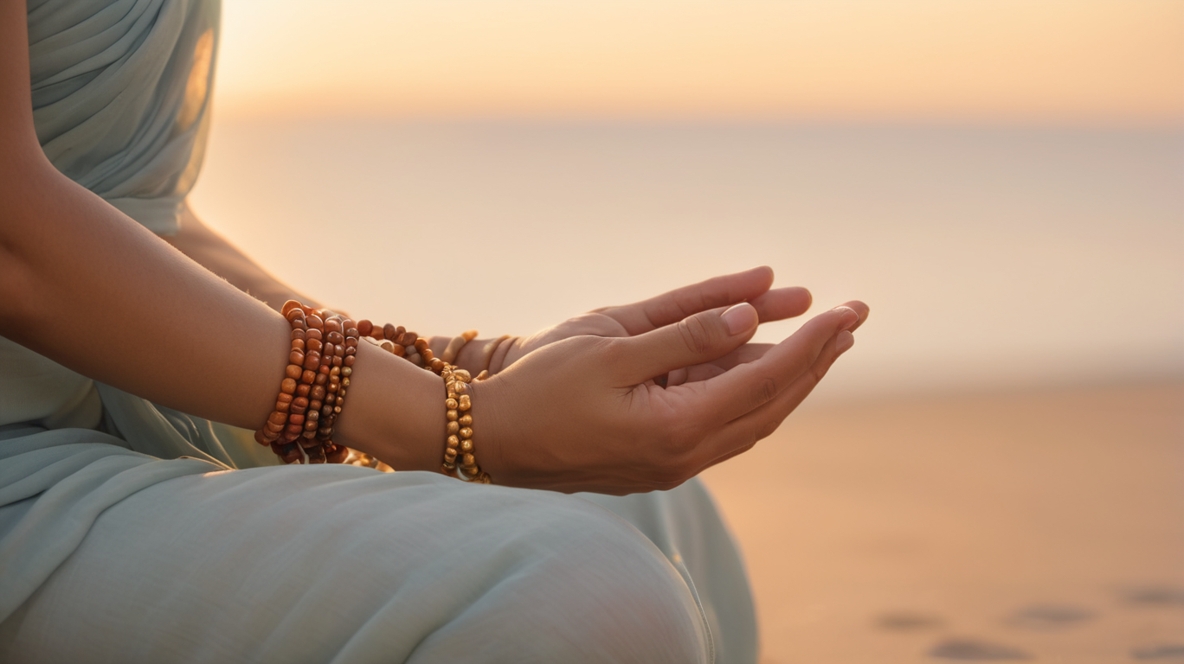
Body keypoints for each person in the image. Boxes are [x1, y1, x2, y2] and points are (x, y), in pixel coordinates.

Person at [0, 0, 868, 661]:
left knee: (650, 499)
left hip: (127, 379)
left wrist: (460, 367)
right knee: (586, 598)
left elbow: (134, 213)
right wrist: (460, 423)